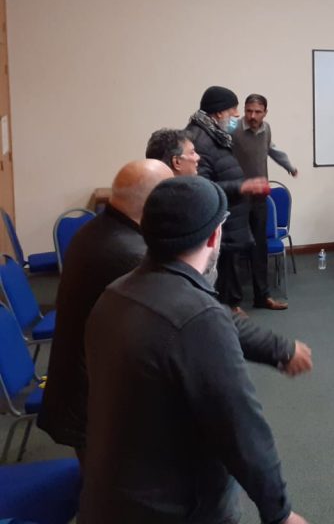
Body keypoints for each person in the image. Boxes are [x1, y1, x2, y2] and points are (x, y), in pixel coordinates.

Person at [38, 160, 312, 461]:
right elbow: (203, 313)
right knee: (115, 495)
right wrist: (280, 349)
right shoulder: (130, 254)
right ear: (156, 201)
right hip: (94, 405)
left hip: (91, 390)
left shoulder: (100, 230)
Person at [80, 176, 308, 524]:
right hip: (175, 509)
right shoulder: (198, 318)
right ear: (215, 237)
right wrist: (279, 513)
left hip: (109, 498)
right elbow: (241, 429)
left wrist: (277, 348)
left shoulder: (113, 293)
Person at [185, 85, 270, 314]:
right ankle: (225, 311)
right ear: (220, 112)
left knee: (234, 260)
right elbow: (201, 186)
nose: (236, 115)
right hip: (218, 212)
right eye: (234, 109)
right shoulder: (200, 139)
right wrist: (241, 185)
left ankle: (234, 305)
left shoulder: (215, 133)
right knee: (218, 269)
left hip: (232, 210)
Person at [233, 94, 297, 311]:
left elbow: (272, 149)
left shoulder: (266, 129)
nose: (252, 116)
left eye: (257, 112)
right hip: (237, 197)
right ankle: (233, 304)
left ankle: (262, 297)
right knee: (233, 249)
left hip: (259, 197)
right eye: (249, 110)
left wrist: (288, 165)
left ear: (265, 113)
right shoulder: (232, 128)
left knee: (259, 247)